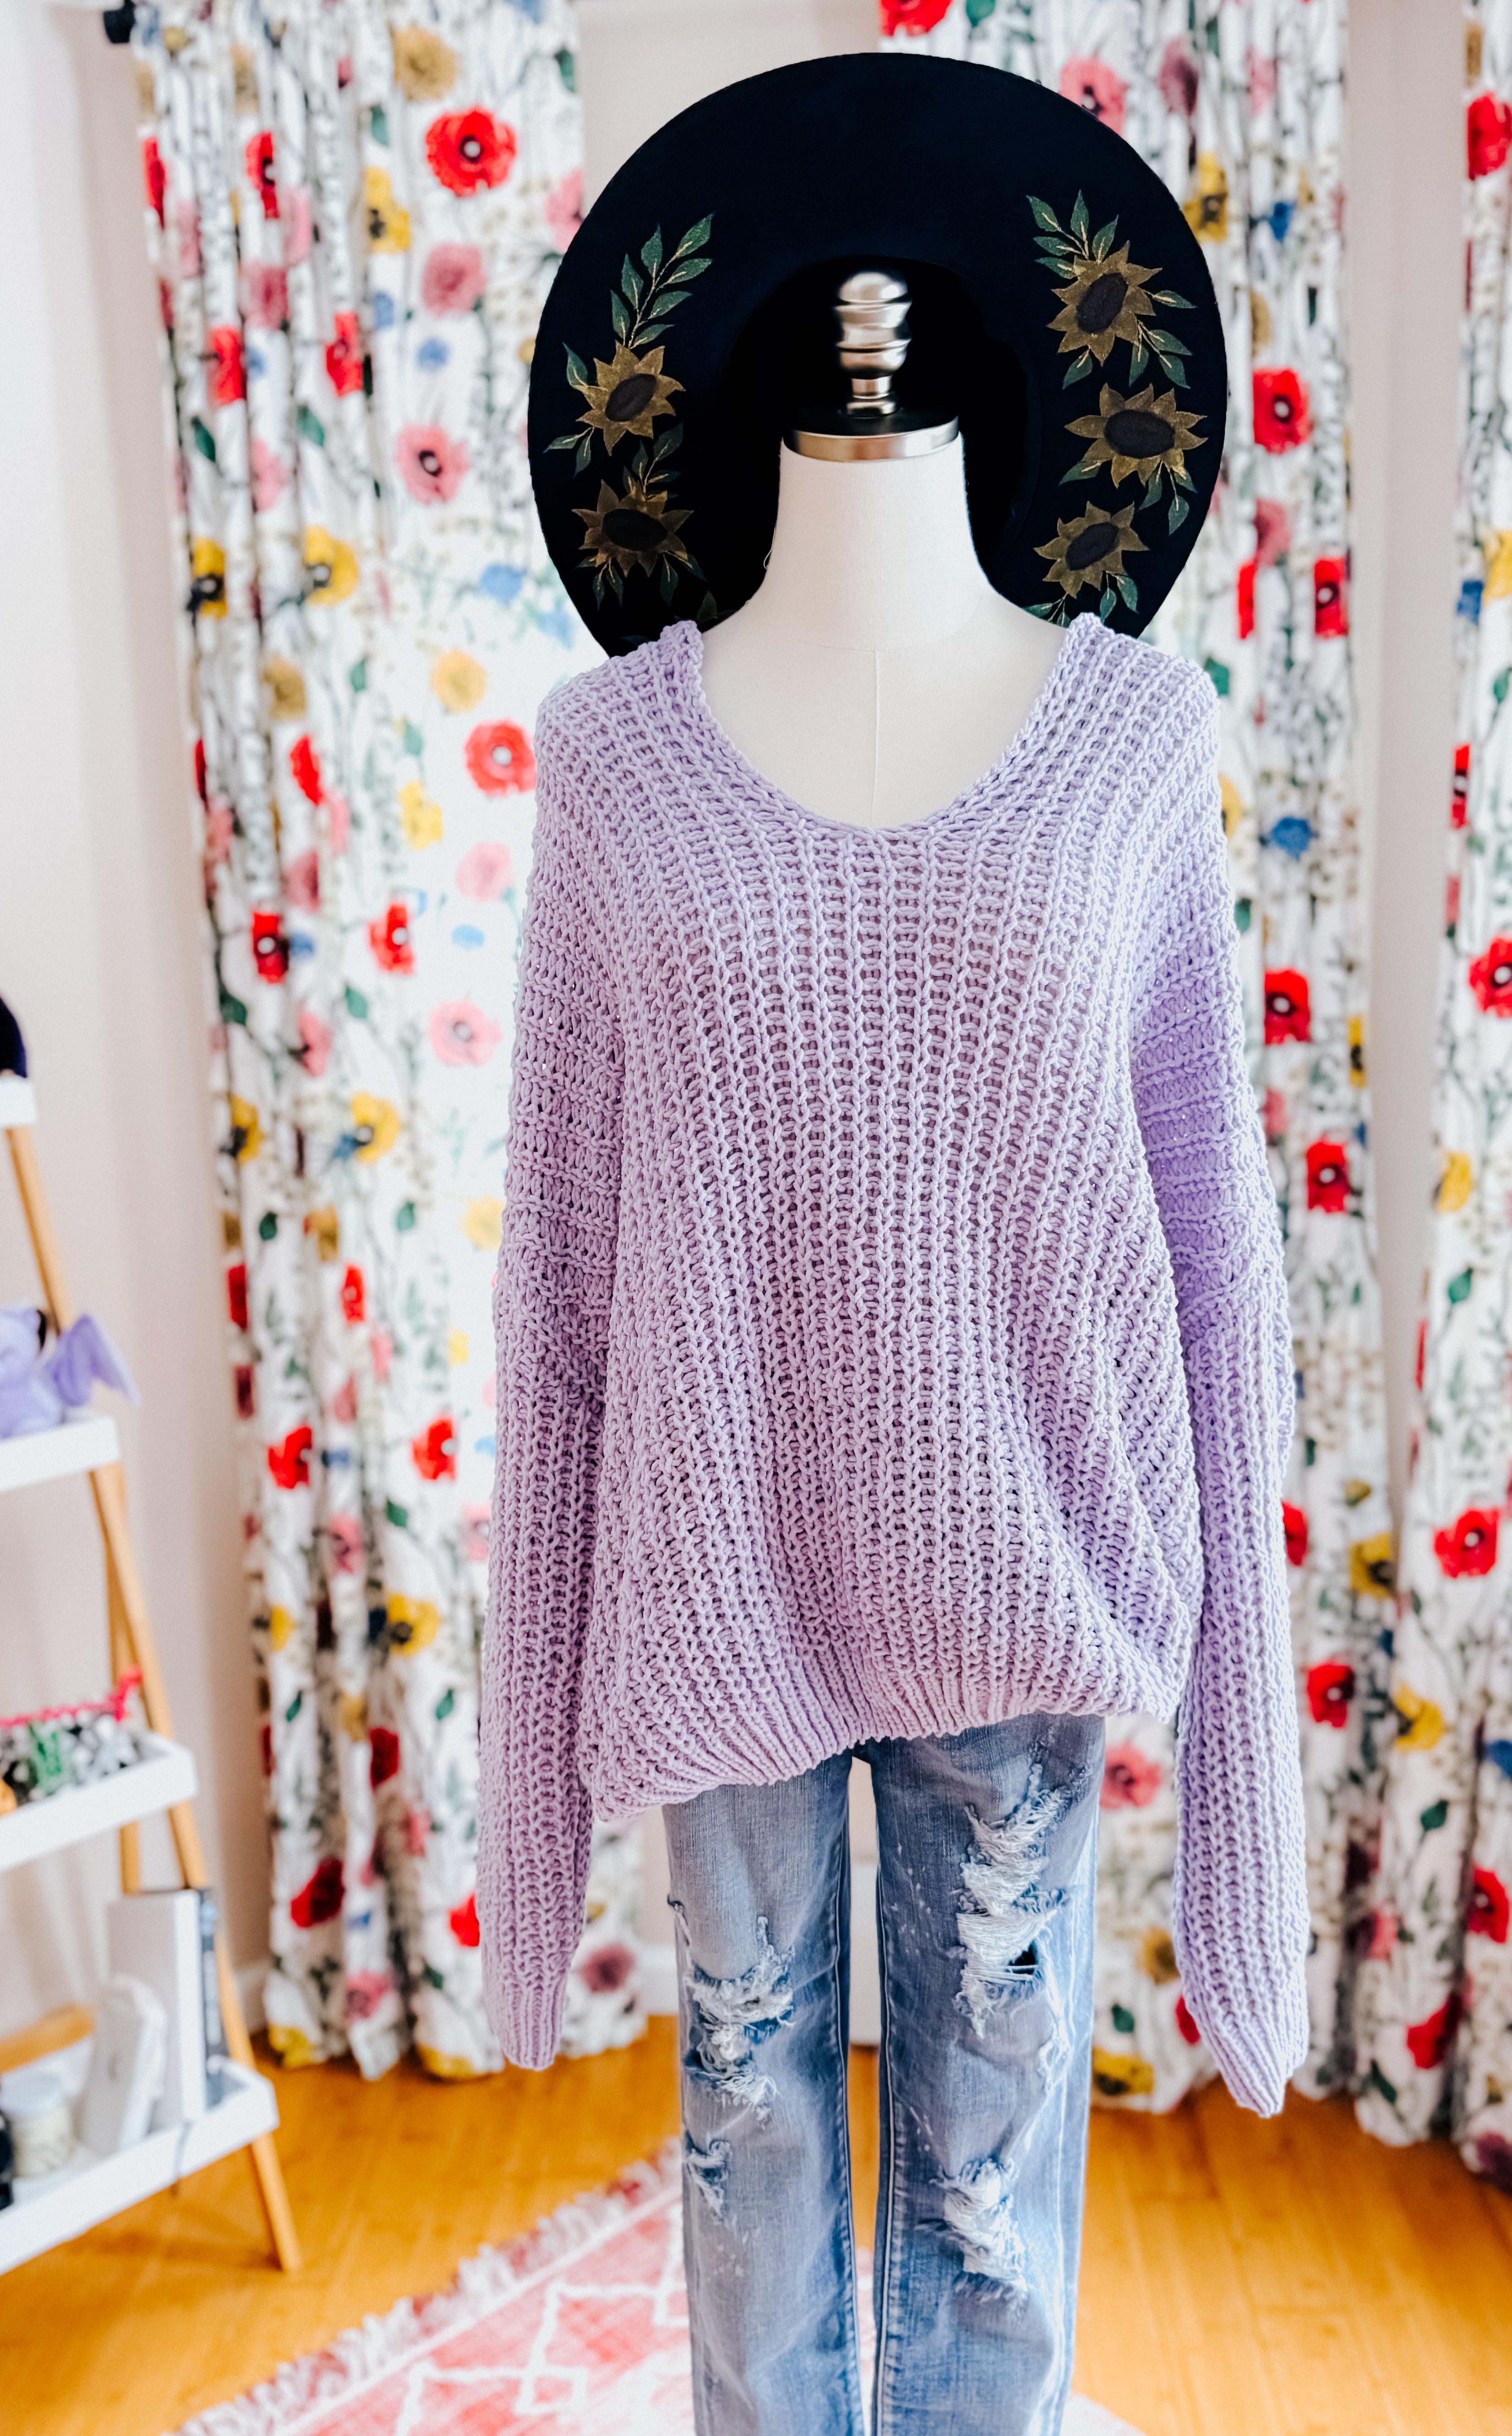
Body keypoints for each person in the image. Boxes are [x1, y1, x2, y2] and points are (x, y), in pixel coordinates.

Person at [478, 53, 1309, 2436]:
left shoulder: (1134, 747)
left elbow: (1209, 1268)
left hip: (1024, 1579)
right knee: (747, 2166)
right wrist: (527, 1834)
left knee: (983, 2199)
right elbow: (556, 1299)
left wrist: (1248, 1799)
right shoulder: (610, 769)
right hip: (712, 1574)